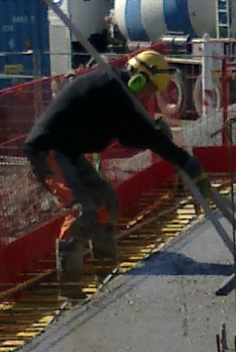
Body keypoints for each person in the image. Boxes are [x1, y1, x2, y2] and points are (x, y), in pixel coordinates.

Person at [23, 49, 209, 286]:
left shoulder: (119, 93)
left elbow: (128, 137)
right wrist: (187, 163)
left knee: (106, 202)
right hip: (47, 150)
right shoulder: (112, 88)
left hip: (67, 152)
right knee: (84, 210)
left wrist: (153, 133)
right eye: (149, 90)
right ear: (138, 79)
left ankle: (106, 275)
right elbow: (145, 135)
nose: (147, 98)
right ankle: (70, 289)